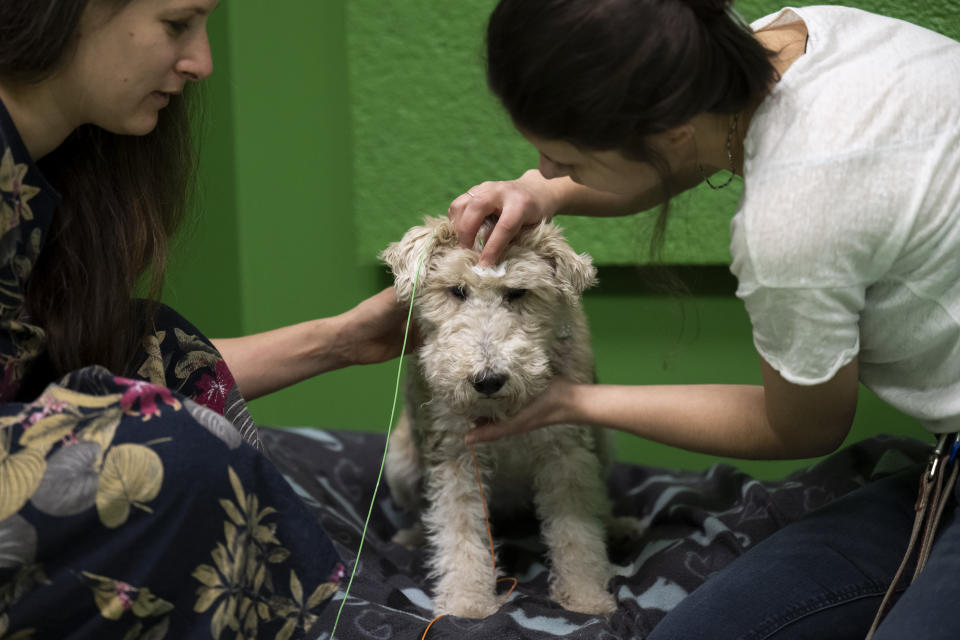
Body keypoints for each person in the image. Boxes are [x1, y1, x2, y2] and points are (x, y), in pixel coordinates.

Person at [448, 0, 960, 638]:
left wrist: (572, 401)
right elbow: (687, 152)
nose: (551, 171)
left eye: (565, 159)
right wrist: (543, 192)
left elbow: (800, 427)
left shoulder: (795, 216)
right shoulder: (797, 36)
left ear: (668, 134)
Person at [0, 1, 409, 638]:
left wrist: (344, 340)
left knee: (154, 338)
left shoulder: (45, 170)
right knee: (174, 453)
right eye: (176, 24)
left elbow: (46, 368)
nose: (202, 63)